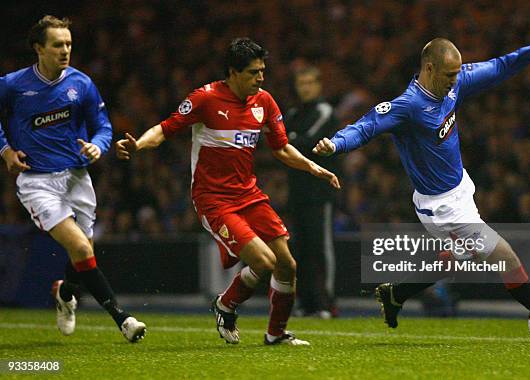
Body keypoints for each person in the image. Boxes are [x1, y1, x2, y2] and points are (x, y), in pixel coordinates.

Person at [313, 28, 530, 340]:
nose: (454, 79)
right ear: (429, 68)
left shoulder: (453, 84)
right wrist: (336, 144)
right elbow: (367, 126)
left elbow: (501, 66)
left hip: (461, 189)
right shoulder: (408, 106)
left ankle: (397, 293)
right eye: (449, 74)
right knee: (506, 256)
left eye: (457, 73)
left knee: (457, 259)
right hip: (441, 207)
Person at [116, 38, 340, 346]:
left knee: (287, 263)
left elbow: (282, 148)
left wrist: (313, 168)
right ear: (233, 72)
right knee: (263, 261)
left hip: (249, 194)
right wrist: (138, 144)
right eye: (252, 72)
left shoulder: (264, 101)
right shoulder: (205, 99)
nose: (260, 78)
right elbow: (164, 129)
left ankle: (276, 334)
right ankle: (225, 305)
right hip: (214, 199)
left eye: (262, 71)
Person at [0, 15, 146, 342]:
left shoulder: (81, 84)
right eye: (57, 45)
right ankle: (123, 319)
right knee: (80, 247)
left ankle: (65, 293)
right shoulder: (12, 85)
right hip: (38, 182)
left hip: (78, 178)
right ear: (39, 48)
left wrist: (98, 145)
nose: (65, 50)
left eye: (68, 44)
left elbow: (104, 126)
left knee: (83, 254)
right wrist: (6, 151)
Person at [285, 66, 339, 318]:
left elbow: (308, 143)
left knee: (320, 248)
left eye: (309, 82)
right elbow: (281, 143)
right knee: (301, 249)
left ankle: (326, 303)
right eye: (301, 82)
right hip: (297, 192)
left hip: (319, 194)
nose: (305, 87)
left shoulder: (324, 111)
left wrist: (290, 140)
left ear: (318, 85)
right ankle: (306, 303)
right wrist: (290, 141)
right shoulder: (294, 113)